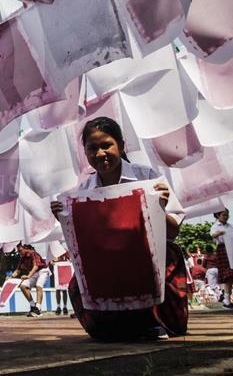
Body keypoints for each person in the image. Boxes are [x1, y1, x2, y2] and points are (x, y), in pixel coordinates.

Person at [51, 117, 189, 341]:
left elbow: (173, 234)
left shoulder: (148, 179)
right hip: (106, 263)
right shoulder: (84, 190)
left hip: (147, 258)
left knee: (167, 258)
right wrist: (63, 215)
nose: (100, 153)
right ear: (85, 153)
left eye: (106, 145)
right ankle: (112, 324)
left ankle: (155, 321)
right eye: (92, 148)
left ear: (121, 146)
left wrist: (159, 207)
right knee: (78, 284)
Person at [15, 244, 49, 317]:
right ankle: (33, 306)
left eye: (20, 251)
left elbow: (36, 267)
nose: (19, 253)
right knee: (22, 286)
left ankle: (38, 308)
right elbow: (17, 271)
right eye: (18, 251)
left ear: (25, 249)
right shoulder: (22, 258)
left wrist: (28, 276)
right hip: (33, 273)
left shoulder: (33, 253)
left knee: (39, 286)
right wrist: (10, 277)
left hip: (43, 271)